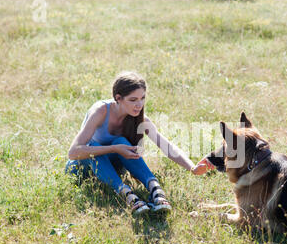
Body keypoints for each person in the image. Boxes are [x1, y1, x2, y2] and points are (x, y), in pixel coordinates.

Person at [65, 71, 209, 215]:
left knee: (121, 141)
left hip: (112, 170)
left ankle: (155, 189)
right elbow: (73, 152)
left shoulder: (140, 119)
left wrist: (192, 168)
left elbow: (165, 145)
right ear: (118, 98)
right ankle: (127, 195)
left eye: (142, 98)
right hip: (82, 169)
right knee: (96, 147)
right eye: (133, 100)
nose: (139, 104)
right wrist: (115, 148)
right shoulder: (101, 111)